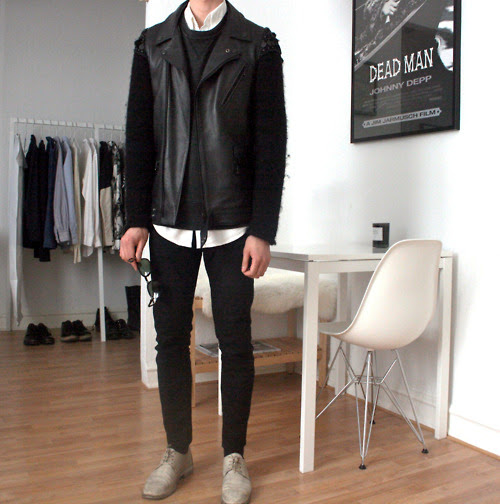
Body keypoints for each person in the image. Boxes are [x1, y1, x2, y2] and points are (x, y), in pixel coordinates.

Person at [120, 1, 286, 503]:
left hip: (235, 225)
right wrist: (134, 219)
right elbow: (139, 138)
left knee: (236, 343)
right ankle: (178, 451)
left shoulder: (258, 44)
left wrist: (263, 228)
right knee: (170, 340)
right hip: (166, 223)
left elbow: (271, 142)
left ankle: (234, 456)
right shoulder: (151, 46)